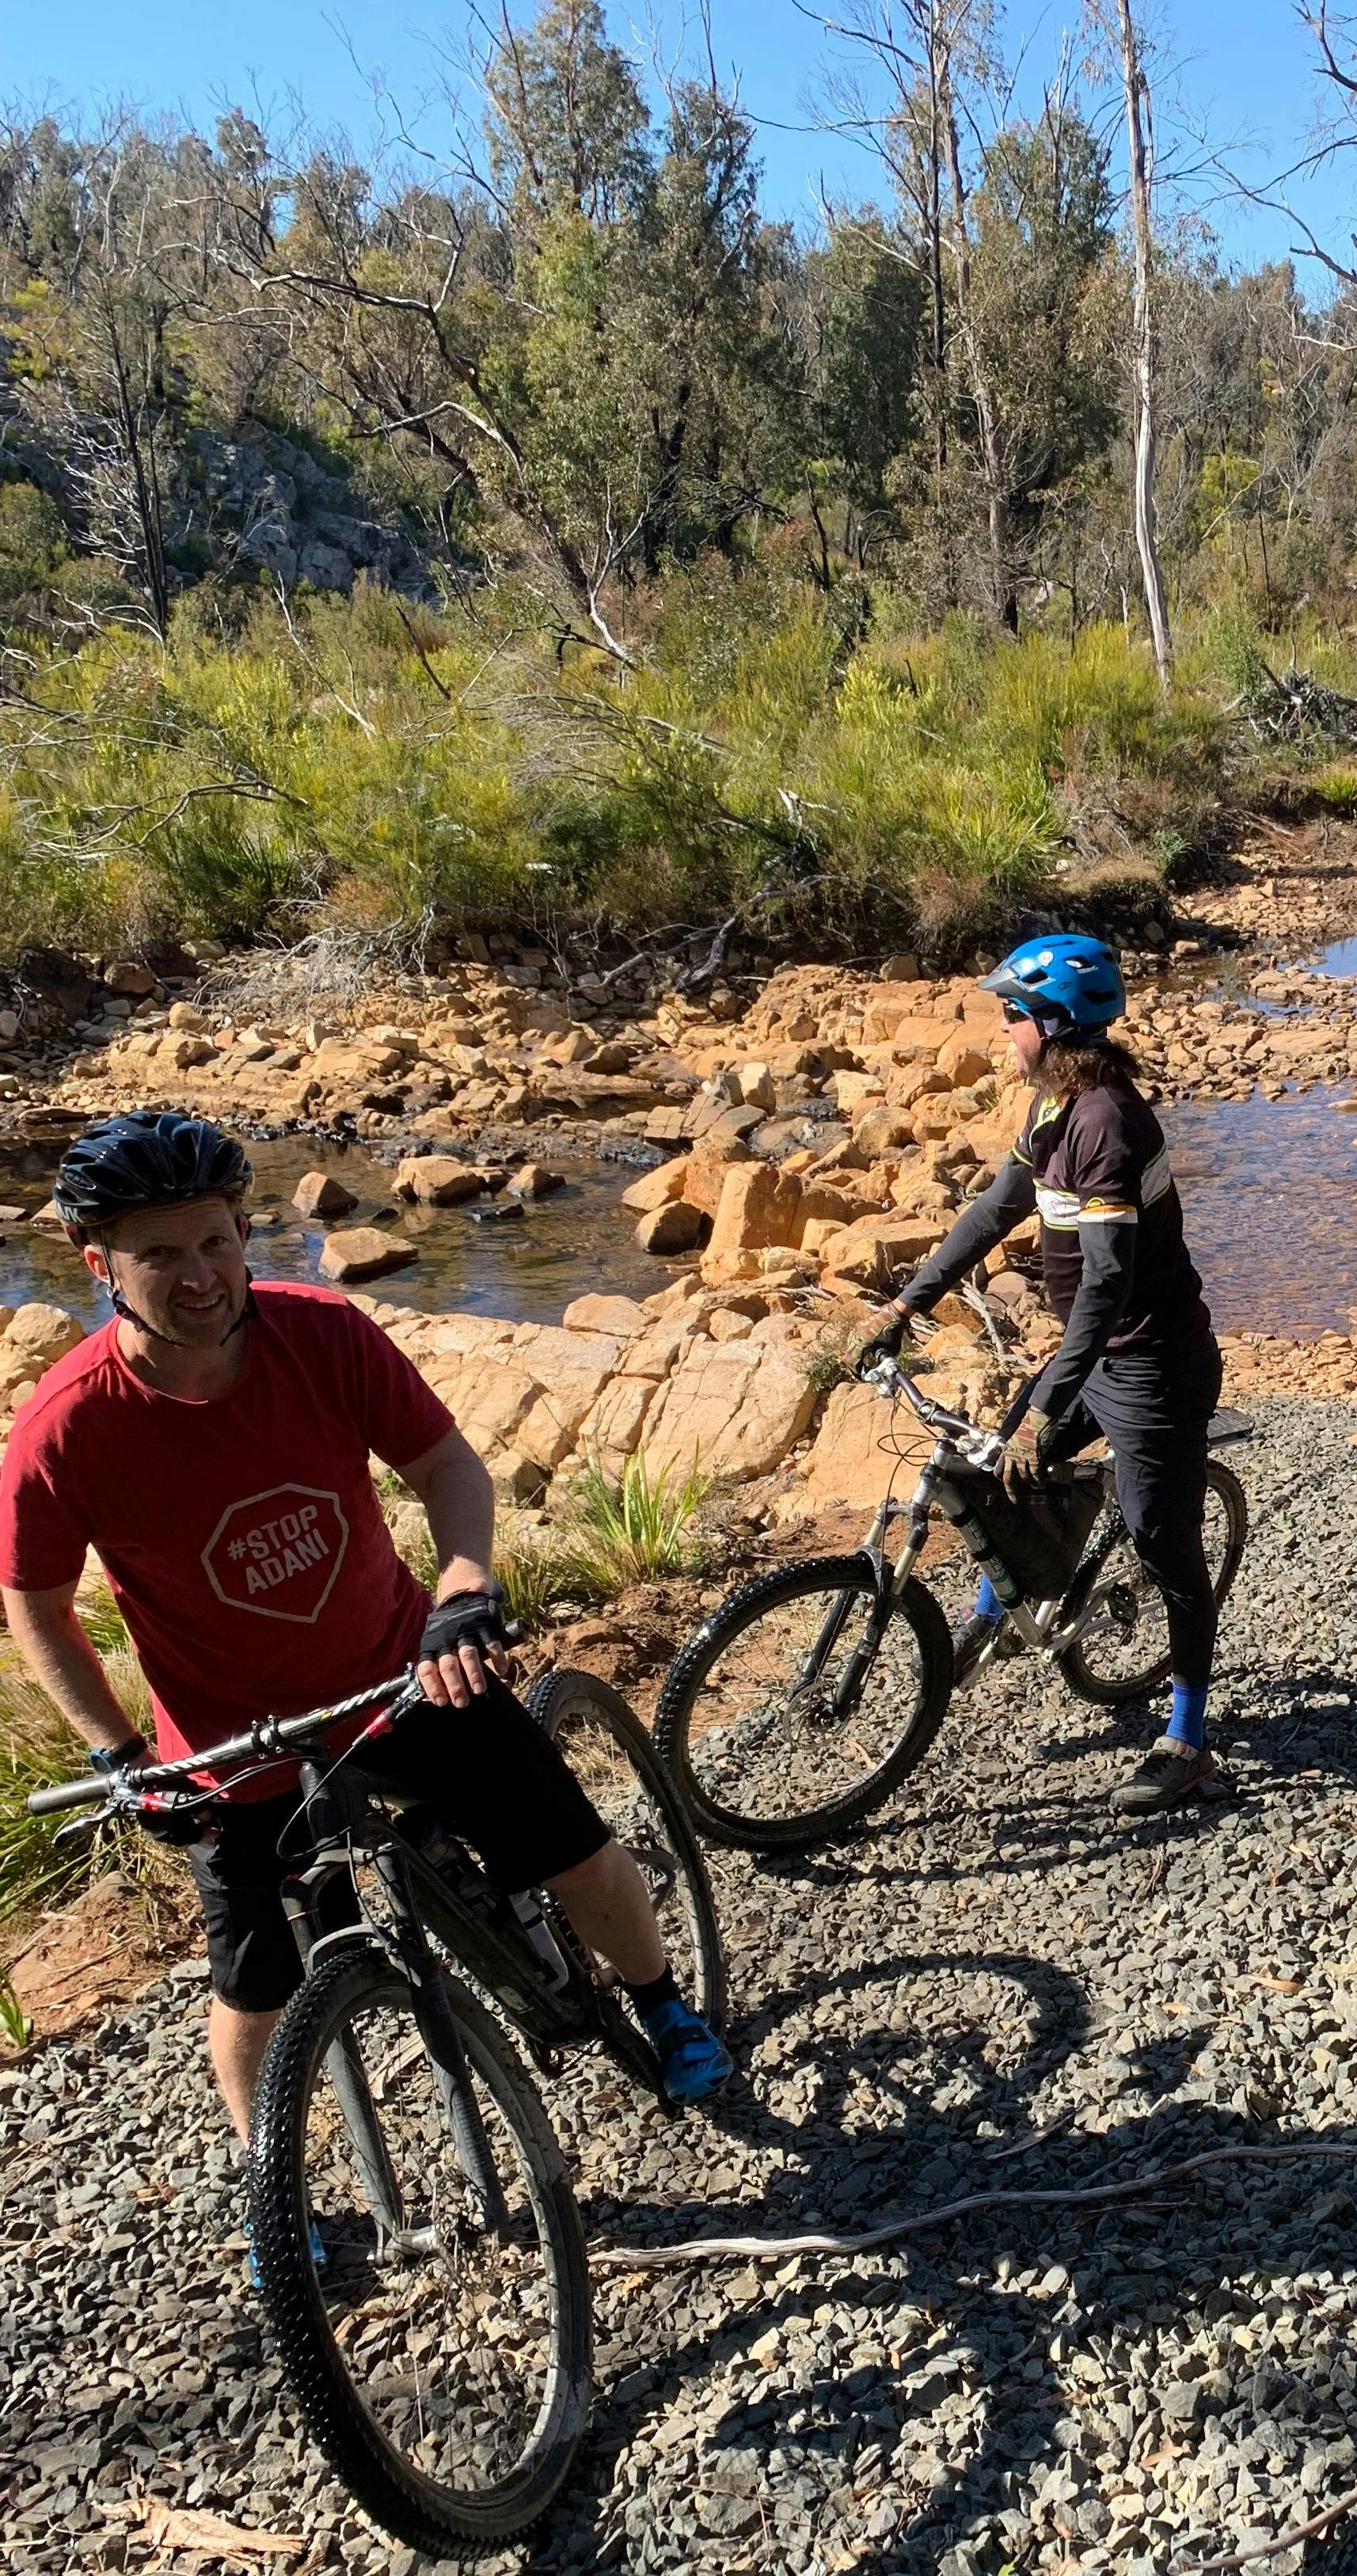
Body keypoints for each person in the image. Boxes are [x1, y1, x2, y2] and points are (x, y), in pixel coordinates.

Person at [0, 1113, 732, 2200]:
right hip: (234, 1747)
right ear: (97, 1262)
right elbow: (38, 1605)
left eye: (217, 1241)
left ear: (246, 1229)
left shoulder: (323, 1335)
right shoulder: (64, 1430)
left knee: (568, 1843)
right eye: (160, 1254)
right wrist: (117, 1758)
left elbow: (447, 1467)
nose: (199, 1275)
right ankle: (272, 2182)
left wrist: (463, 1589)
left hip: (405, 1674)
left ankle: (662, 1998)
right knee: (255, 1983)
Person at [853, 934, 1226, 1818]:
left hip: (1154, 1370)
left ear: (1054, 1024)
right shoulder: (1056, 1111)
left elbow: (1106, 1281)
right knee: (992, 1468)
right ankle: (1000, 1599)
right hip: (1090, 1354)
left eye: (1012, 1015)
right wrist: (905, 1306)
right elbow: (992, 1212)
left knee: (1162, 1545)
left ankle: (1189, 1739)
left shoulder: (1107, 1126)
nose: (1003, 1031)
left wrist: (1045, 1406)